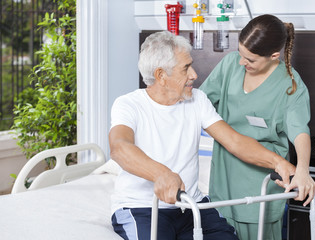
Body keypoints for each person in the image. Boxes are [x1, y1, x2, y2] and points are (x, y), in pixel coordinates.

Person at [109, 31, 297, 240]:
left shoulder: (197, 100)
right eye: (186, 68)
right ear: (161, 75)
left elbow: (234, 141)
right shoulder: (129, 104)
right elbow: (119, 147)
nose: (194, 75)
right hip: (142, 208)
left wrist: (279, 163)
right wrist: (161, 174)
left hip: (192, 205)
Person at [199, 14, 315, 240]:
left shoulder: (290, 84)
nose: (242, 63)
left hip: (261, 184)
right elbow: (199, 103)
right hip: (224, 180)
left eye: (251, 60)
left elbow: (299, 130)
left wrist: (303, 169)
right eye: (241, 54)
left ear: (274, 56)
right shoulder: (229, 65)